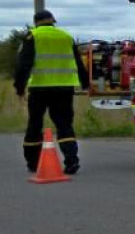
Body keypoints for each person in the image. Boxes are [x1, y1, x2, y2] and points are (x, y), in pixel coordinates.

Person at [13, 10, 90, 175]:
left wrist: (19, 88)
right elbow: (78, 62)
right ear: (52, 21)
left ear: (36, 22)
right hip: (64, 88)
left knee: (35, 124)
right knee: (64, 124)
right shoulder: (66, 37)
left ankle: (33, 162)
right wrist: (85, 83)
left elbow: (24, 64)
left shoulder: (32, 36)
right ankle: (71, 160)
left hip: (40, 88)